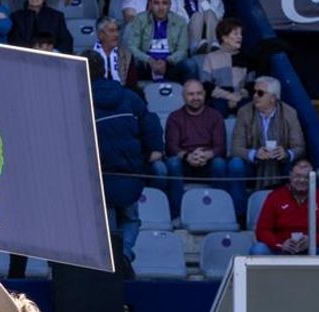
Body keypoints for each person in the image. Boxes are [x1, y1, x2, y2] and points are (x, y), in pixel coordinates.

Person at [91, 50, 162, 263]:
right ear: (104, 70)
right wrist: (155, 149)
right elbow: (150, 122)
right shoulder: (128, 96)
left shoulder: (78, 99)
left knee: (109, 223)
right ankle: (124, 254)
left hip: (101, 174)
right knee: (131, 219)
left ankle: (116, 259)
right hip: (130, 169)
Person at [159, 78, 239, 218]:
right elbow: (171, 147)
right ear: (183, 96)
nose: (195, 98)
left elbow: (220, 147)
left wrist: (206, 155)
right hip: (184, 163)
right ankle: (176, 215)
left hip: (208, 162)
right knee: (172, 163)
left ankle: (221, 213)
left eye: (199, 93)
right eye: (191, 94)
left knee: (219, 163)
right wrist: (188, 156)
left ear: (204, 94)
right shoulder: (175, 117)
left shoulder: (215, 116)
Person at [233, 75, 305, 197]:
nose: (255, 96)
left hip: (280, 162)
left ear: (273, 98)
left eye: (260, 93)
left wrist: (286, 153)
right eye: (254, 92)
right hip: (253, 164)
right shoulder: (244, 112)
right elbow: (235, 148)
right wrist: (255, 154)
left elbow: (299, 147)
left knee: (295, 165)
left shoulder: (289, 113)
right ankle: (240, 212)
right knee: (235, 164)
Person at [251, 157, 319, 254]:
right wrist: (281, 244)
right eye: (297, 176)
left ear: (314, 177)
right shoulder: (275, 196)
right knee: (258, 250)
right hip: (282, 247)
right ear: (290, 175)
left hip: (314, 248)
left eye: (307, 177)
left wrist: (313, 241)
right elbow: (262, 231)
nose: (302, 180)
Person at [124, 0, 196, 84]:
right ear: (150, 4)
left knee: (190, 65)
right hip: (146, 65)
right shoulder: (139, 19)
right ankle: (132, 95)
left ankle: (190, 94)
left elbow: (183, 50)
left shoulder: (180, 21)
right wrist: (149, 60)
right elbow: (132, 47)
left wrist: (167, 62)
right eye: (156, 3)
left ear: (170, 5)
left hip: (170, 66)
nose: (161, 8)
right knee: (130, 64)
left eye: (165, 3)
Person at [199, 17, 250, 120]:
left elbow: (250, 85)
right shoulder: (211, 57)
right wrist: (230, 97)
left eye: (240, 34)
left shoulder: (246, 58)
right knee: (217, 107)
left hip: (240, 97)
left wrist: (238, 96)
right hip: (219, 98)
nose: (240, 37)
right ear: (224, 38)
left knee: (248, 107)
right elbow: (206, 84)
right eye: (235, 34)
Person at [89, 15, 137, 89]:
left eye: (117, 30)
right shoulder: (89, 56)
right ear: (100, 35)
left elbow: (132, 85)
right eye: (111, 31)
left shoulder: (126, 55)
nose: (116, 34)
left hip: (120, 96)